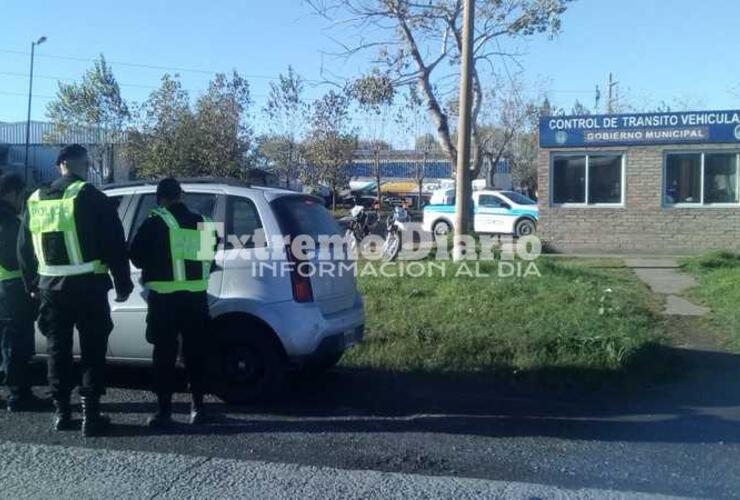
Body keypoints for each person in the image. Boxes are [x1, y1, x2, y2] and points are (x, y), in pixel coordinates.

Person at [17, 144, 133, 436]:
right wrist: (122, 284)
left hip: (50, 290)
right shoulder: (91, 196)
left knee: (58, 349)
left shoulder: (35, 199)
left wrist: (31, 284)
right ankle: (90, 416)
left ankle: (61, 411)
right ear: (79, 164)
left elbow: (24, 250)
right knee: (93, 350)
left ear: (59, 165)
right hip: (89, 288)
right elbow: (115, 244)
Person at [130, 178, 217, 428]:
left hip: (164, 301)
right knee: (196, 354)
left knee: (164, 356)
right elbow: (209, 258)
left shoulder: (155, 221)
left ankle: (164, 411)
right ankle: (198, 408)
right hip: (196, 299)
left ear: (160, 198)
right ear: (181, 195)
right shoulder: (205, 222)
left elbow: (135, 256)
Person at [0, 174, 41, 411]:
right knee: (15, 345)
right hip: (11, 292)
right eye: (21, 195)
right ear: (11, 193)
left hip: (4, 291)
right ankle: (18, 395)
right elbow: (17, 260)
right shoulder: (10, 223)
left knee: (7, 344)